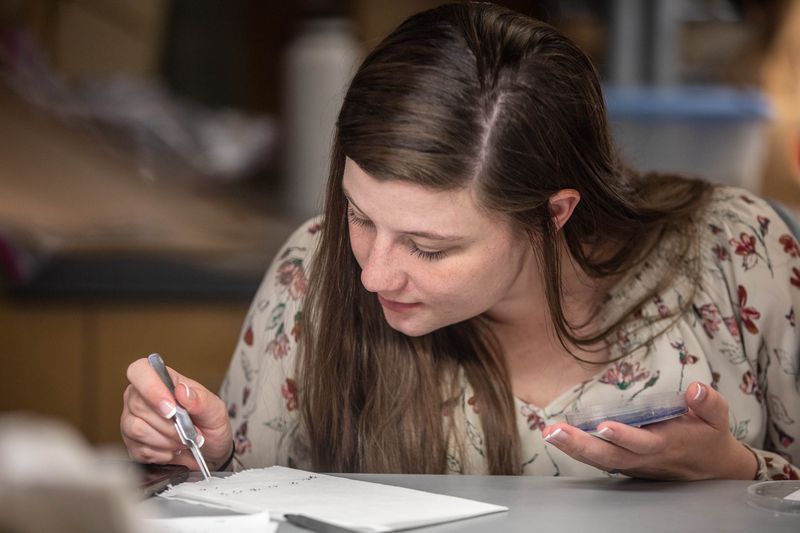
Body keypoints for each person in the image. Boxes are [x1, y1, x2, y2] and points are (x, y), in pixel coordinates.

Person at [121, 2, 800, 480]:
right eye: (360, 215)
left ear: (554, 211)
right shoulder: (312, 269)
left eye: (429, 247)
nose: (373, 276)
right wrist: (199, 461)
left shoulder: (738, 256)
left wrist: (735, 470)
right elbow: (251, 508)